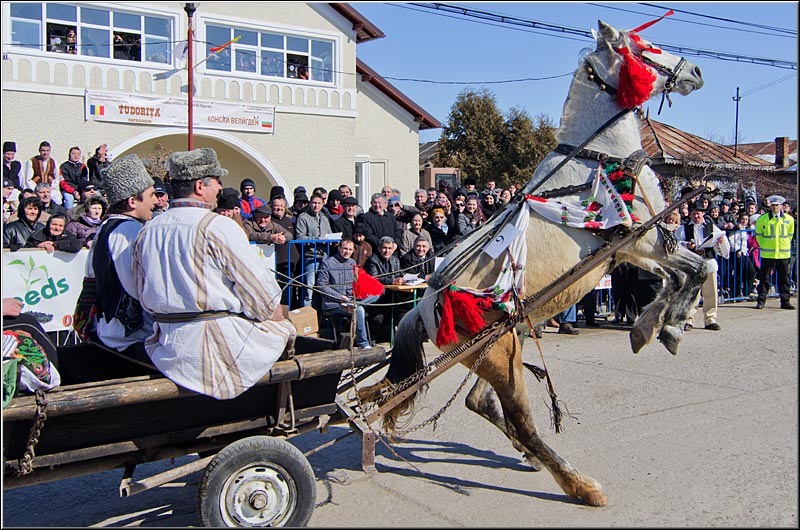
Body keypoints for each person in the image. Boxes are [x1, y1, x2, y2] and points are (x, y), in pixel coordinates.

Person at [132, 147, 295, 399]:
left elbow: (139, 290)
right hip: (214, 350)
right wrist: (274, 316)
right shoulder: (217, 227)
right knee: (286, 328)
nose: (220, 187)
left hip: (165, 348)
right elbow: (263, 297)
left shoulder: (147, 230)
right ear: (200, 186)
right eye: (217, 180)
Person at [315, 237, 379, 349]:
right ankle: (363, 343)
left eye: (350, 249)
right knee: (359, 310)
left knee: (377, 293)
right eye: (345, 249)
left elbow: (355, 283)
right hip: (334, 303)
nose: (347, 252)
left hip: (351, 300)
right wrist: (340, 297)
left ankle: (356, 304)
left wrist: (361, 292)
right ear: (339, 248)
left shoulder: (352, 262)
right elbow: (321, 286)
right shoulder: (328, 263)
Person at [676, 200, 727, 331]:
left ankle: (710, 319)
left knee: (711, 293)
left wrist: (720, 241)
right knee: (691, 293)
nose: (695, 216)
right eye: (693, 213)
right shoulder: (684, 228)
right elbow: (676, 244)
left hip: (707, 263)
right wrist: (687, 245)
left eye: (698, 213)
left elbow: (722, 244)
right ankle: (688, 319)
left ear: (703, 213)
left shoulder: (711, 227)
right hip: (692, 265)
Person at [755, 195, 795, 310]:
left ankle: (785, 301)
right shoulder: (762, 219)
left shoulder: (789, 219)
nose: (775, 207)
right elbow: (759, 236)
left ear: (781, 206)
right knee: (764, 279)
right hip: (768, 254)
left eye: (777, 205)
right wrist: (764, 245)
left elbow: (790, 235)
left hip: (783, 254)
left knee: (784, 279)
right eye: (773, 205)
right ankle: (761, 301)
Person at [295, 193, 333, 307]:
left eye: (319, 203)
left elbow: (329, 234)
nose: (316, 205)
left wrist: (332, 240)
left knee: (322, 287)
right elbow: (300, 237)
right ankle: (307, 313)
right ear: (310, 203)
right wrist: (317, 239)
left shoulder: (324, 218)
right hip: (310, 256)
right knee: (309, 288)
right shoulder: (303, 217)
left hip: (324, 257)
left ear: (323, 204)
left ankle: (321, 314)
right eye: (314, 203)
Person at [269, 193, 298, 307]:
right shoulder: (269, 220)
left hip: (291, 261)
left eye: (281, 206)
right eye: (276, 205)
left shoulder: (289, 220)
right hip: (275, 261)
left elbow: (291, 235)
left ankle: (288, 311)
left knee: (290, 290)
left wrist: (285, 237)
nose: (279, 208)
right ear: (271, 206)